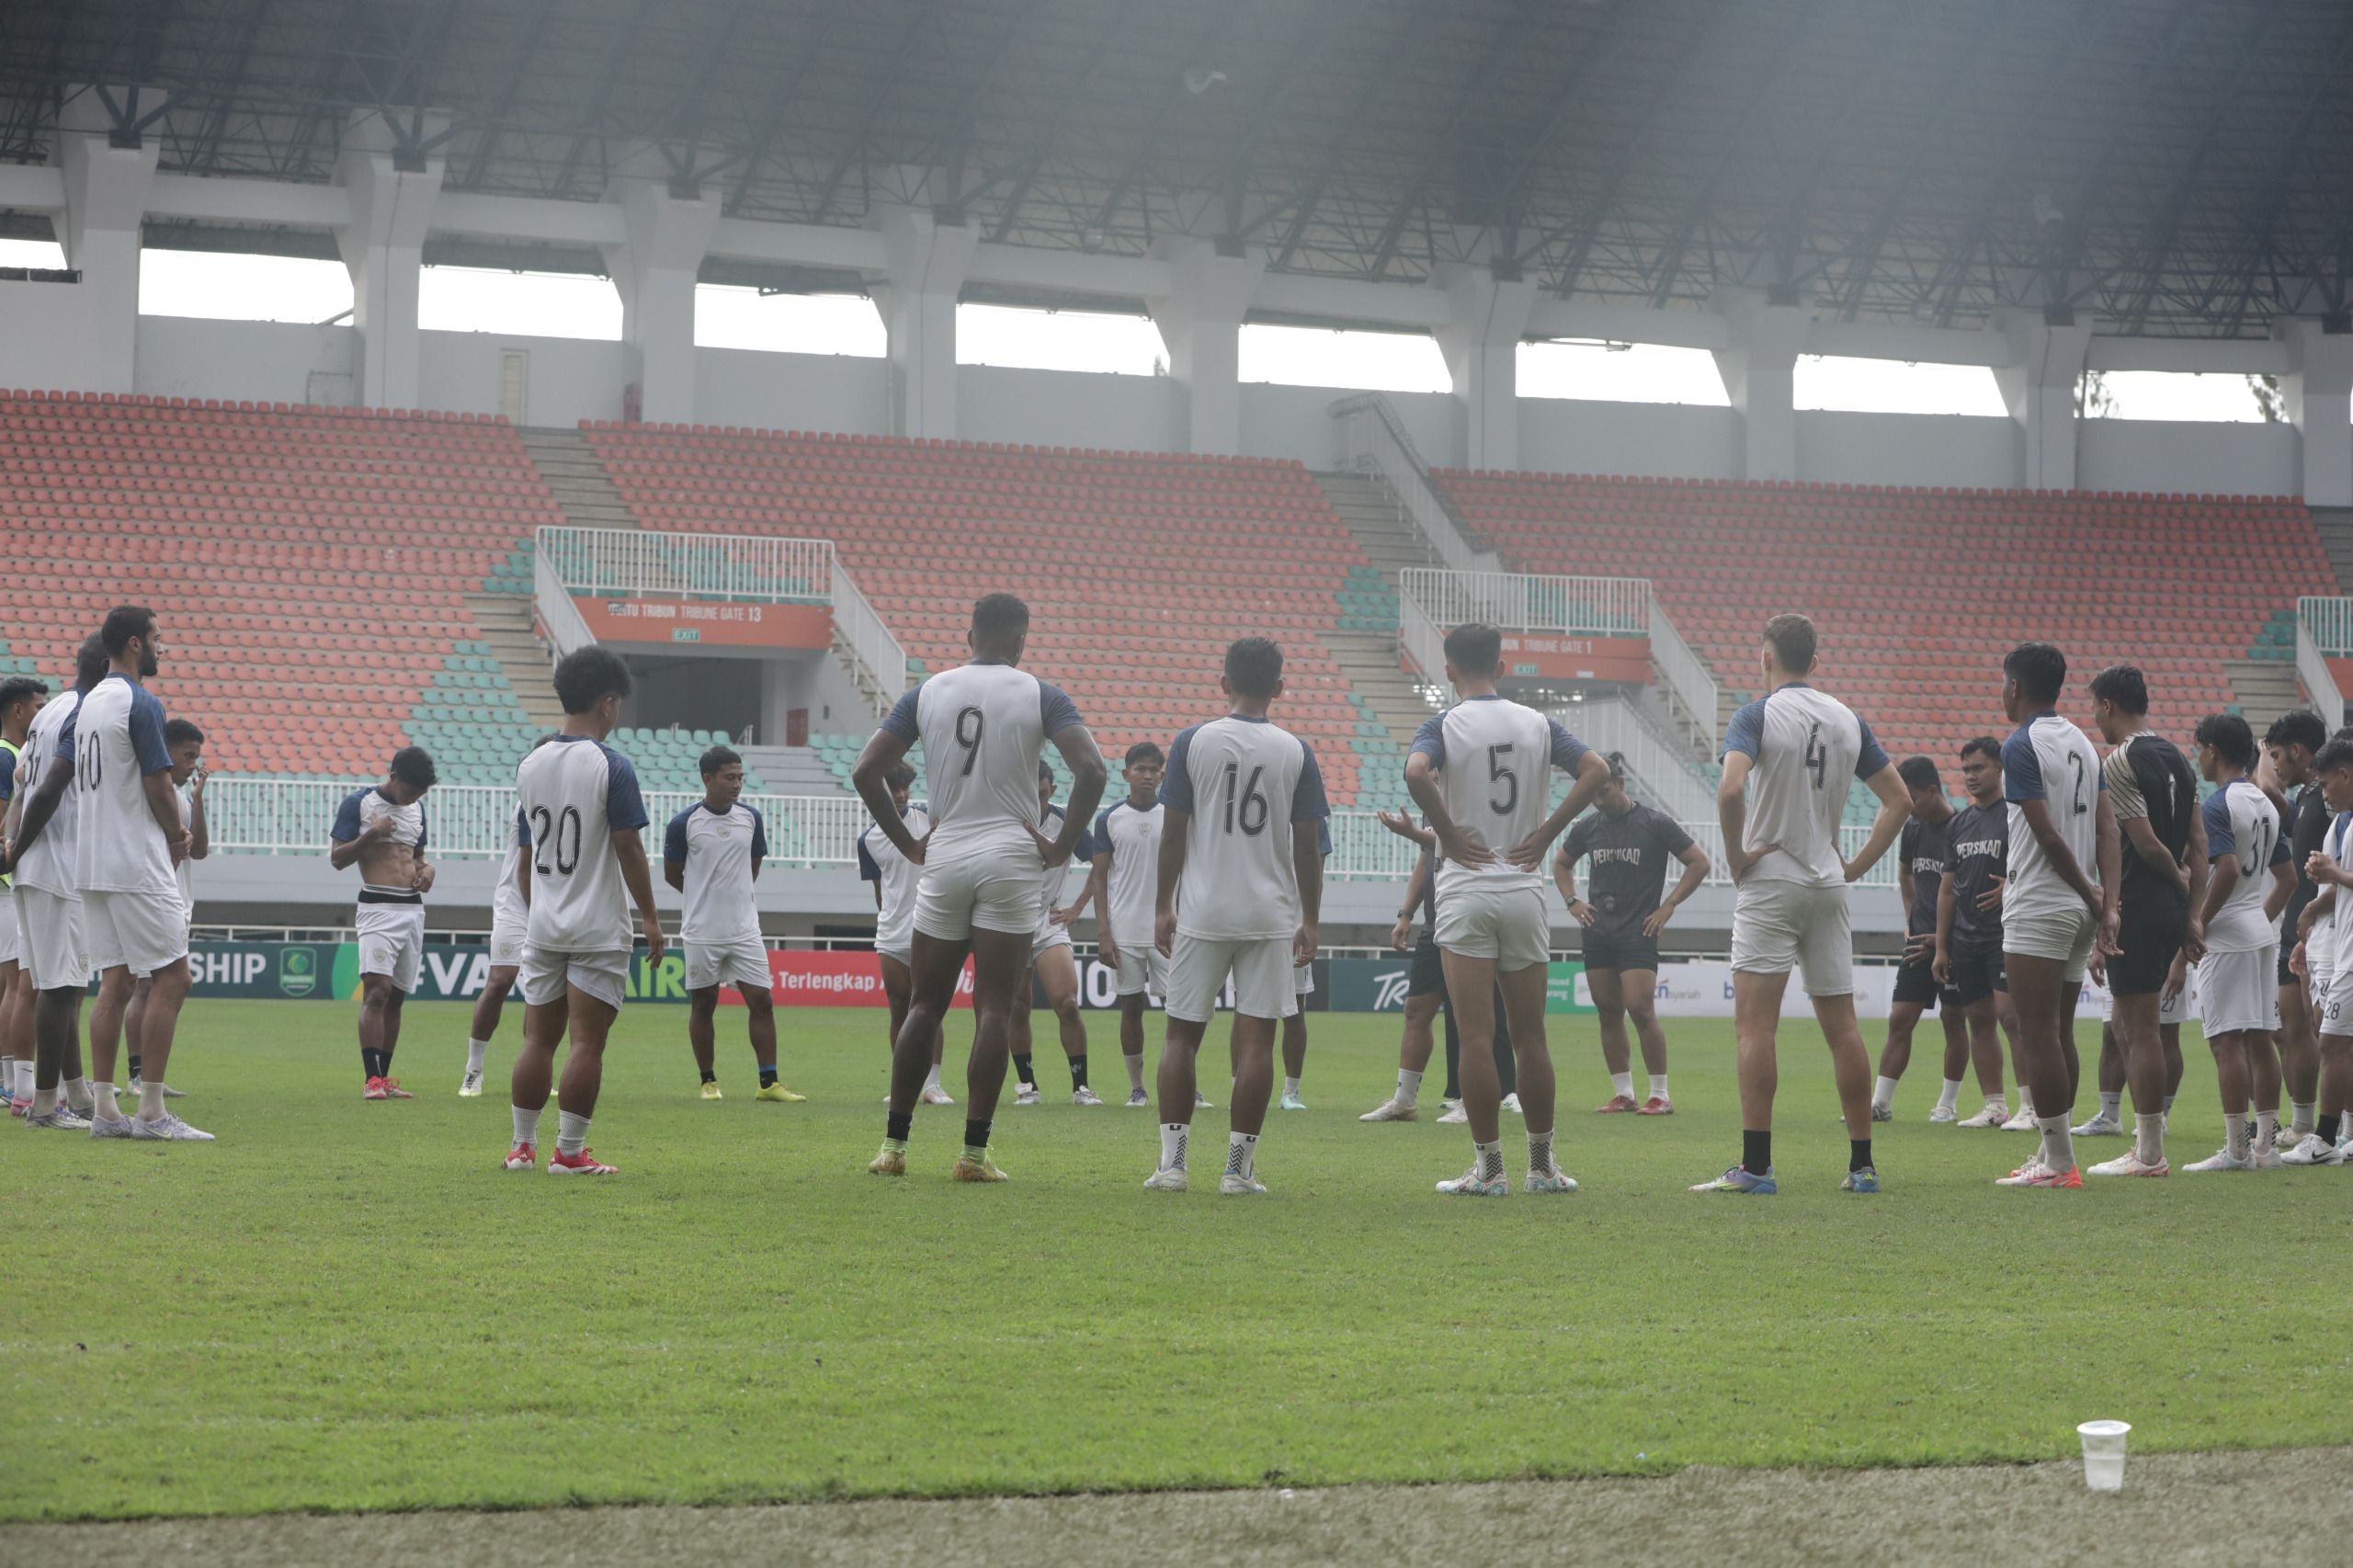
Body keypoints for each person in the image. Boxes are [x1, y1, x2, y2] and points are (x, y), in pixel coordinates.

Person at [851, 593, 1106, 1183]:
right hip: (1012, 856)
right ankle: (972, 1156)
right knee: (993, 1007)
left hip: (946, 852)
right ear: (1021, 641)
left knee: (923, 1005)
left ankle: (893, 1148)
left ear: (968, 634)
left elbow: (866, 770)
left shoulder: (928, 692)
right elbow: (1092, 768)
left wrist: (909, 844)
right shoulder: (1041, 692)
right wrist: (1062, 845)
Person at [1692, 615, 1909, 1197]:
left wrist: (1737, 858)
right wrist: (1855, 867)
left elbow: (1731, 788)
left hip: (1773, 881)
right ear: (1815, 662)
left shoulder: (1755, 715)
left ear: (1765, 657)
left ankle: (1757, 1168)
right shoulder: (1848, 718)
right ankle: (1862, 1166)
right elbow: (1899, 799)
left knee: (1755, 1028)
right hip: (1827, 883)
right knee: (1842, 1027)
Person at [1408, 621, 1609, 1199]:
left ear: (1449, 671)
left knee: (1475, 1036)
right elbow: (1596, 770)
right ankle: (1543, 1166)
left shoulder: (1443, 724)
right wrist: (1547, 833)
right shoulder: (1538, 723)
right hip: (1524, 888)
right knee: (1531, 1037)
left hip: (1467, 889)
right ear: (1502, 667)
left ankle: (1490, 1171)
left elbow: (1416, 772)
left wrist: (1447, 833)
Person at [1143, 636, 1325, 1195]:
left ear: (1223, 683)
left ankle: (1173, 1166)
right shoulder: (1296, 751)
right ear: (1279, 687)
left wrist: (1162, 905)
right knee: (1256, 1044)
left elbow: (1173, 832)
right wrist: (1310, 919)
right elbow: (1307, 844)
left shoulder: (1192, 742)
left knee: (1181, 1038)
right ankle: (1237, 1170)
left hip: (1202, 909)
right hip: (1269, 914)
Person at [506, 647, 665, 1176]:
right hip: (597, 927)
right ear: (609, 703)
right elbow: (629, 848)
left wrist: (539, 913)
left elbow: (526, 860)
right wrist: (651, 918)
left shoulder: (531, 764)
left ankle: (521, 1148)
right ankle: (568, 1154)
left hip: (545, 924)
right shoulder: (611, 765)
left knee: (536, 1040)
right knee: (586, 1043)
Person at [52, 608, 206, 1139]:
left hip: (90, 861)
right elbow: (159, 784)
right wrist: (174, 834)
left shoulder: (88, 701)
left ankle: (103, 1111)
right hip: (135, 859)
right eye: (159, 638)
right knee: (173, 976)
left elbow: (64, 769)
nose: (164, 647)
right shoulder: (142, 703)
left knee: (113, 982)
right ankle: (152, 1113)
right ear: (136, 644)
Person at [1987, 642, 2120, 1189]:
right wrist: (2105, 903)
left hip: (2041, 902)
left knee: (2035, 1032)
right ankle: (2053, 1154)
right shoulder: (2085, 746)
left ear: (2015, 687)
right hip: (2079, 906)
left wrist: (2095, 898)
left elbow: (2044, 834)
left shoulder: (2020, 745)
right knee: (2059, 1031)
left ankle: (2061, 1163)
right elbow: (2107, 829)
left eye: (2003, 682)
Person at [2080, 665, 2200, 1176]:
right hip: (2170, 909)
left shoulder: (2120, 759)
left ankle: (2148, 1150)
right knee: (2137, 1028)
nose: (2094, 718)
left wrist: (2176, 883)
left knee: (2137, 1029)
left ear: (2108, 704)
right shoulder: (2179, 756)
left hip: (2141, 901)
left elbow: (2145, 841)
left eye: (2094, 707)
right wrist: (2192, 913)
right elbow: (2200, 842)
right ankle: (2146, 1142)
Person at [1556, 755, 1709, 1116]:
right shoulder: (1587, 828)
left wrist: (1668, 905)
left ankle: (1660, 1094)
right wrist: (1572, 901)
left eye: (1604, 792)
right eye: (1592, 795)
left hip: (1638, 929)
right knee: (1607, 1011)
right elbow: (1561, 863)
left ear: (1621, 786)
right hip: (1597, 930)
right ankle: (1624, 1094)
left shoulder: (1655, 823)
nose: (1598, 801)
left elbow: (1699, 862)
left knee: (1640, 1008)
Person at [2181, 712, 2294, 1173]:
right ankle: (2266, 1148)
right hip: (2258, 931)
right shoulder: (2267, 803)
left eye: (2198, 748)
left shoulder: (2217, 805)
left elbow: (2225, 868)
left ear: (2212, 749)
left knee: (2226, 1043)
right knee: (2261, 1039)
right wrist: (2257, 922)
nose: (2197, 757)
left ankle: (2235, 1150)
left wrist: (2199, 924)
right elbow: (2286, 880)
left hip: (2227, 933)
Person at [1359, 812, 1518, 1125]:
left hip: (1464, 915)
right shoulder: (1430, 801)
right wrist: (1406, 914)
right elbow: (1427, 859)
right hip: (1434, 922)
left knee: (1466, 1014)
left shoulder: (1467, 790)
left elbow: (1459, 844)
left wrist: (1411, 832)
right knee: (1416, 1009)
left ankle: (1467, 1099)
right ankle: (1404, 1100)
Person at [5, 639, 103, 1128]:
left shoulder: (51, 709)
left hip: (35, 868)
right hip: (58, 864)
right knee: (60, 988)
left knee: (58, 985)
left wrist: (12, 848)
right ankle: (45, 1105)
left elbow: (23, 780)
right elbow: (48, 786)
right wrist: (16, 849)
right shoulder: (82, 713)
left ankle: (78, 1097)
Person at [665, 744, 799, 1104]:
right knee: (704, 1004)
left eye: (740, 777)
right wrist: (704, 896)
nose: (737, 784)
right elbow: (672, 874)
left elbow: (753, 866)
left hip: (744, 929)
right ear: (708, 779)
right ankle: (708, 1081)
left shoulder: (751, 818)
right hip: (701, 930)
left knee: (762, 1000)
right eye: (729, 777)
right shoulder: (684, 823)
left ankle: (768, 1083)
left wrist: (733, 895)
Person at [328, 745, 438, 1100]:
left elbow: (416, 857)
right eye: (409, 791)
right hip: (377, 907)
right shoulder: (358, 805)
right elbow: (337, 859)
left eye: (420, 793)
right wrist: (372, 834)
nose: (413, 799)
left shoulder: (417, 808)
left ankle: (385, 1078)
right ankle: (371, 1079)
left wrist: (428, 870)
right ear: (392, 778)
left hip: (412, 909)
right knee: (377, 990)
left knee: (397, 998)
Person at [1930, 736, 2026, 1127]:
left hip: (2005, 933)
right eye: (1965, 769)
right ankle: (1994, 1105)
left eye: (1978, 768)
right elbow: (1947, 889)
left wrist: (2013, 886)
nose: (1970, 776)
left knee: (2011, 1017)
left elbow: (2040, 862)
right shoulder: (1959, 823)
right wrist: (1941, 947)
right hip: (1965, 938)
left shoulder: (2017, 815)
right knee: (1979, 1020)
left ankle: (2032, 1106)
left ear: (1999, 768)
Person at [1870, 756, 1969, 1123]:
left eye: (1912, 797)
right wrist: (1911, 920)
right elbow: (1906, 874)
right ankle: (1880, 1103)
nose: (1908, 805)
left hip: (1957, 942)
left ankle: (1947, 1103)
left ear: (1932, 791)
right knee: (1900, 1019)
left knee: (1953, 1020)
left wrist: (1946, 936)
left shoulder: (1964, 828)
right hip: (1919, 939)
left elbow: (1968, 892)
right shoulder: (1912, 828)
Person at [1067, 742, 1165, 1108]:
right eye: (1140, 769)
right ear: (1126, 774)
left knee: (1181, 1010)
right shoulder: (1109, 819)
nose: (1147, 775)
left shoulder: (1174, 815)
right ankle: (1137, 1087)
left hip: (1166, 930)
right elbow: (1100, 877)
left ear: (1162, 774)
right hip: (1124, 931)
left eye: (1153, 769)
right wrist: (1103, 931)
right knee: (1131, 1008)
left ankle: (1185, 1081)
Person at [462, 733, 553, 1097]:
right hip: (519, 905)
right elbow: (525, 871)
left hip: (549, 908)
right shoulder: (528, 806)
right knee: (500, 981)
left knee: (541, 994)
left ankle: (536, 1073)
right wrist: (538, 915)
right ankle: (473, 1069)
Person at [123, 718, 208, 1102]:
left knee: (157, 984)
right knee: (144, 984)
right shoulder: (150, 793)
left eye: (197, 756)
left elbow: (201, 851)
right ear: (167, 751)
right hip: (153, 897)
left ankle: (147, 1076)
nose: (193, 763)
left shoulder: (182, 799)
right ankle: (138, 1075)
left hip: (178, 901)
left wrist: (200, 799)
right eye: (188, 755)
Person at [858, 760, 951, 1106]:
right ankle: (903, 1083)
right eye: (892, 788)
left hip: (931, 926)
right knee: (899, 1007)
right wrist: (889, 917)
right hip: (891, 932)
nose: (899, 794)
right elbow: (881, 891)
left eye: (904, 787)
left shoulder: (930, 818)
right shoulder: (867, 840)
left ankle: (933, 1083)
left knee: (929, 1007)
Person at [1010, 759, 1099, 1108]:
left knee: (1068, 1004)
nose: (1036, 799)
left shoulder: (1065, 821)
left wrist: (1077, 908)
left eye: (1042, 793)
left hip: (1048, 924)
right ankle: (1027, 1087)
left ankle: (1081, 1088)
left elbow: (1102, 861)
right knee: (1017, 1007)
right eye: (1029, 793)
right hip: (1009, 922)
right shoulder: (1006, 821)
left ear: (1053, 790)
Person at [2259, 710, 2330, 1146]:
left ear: (2300, 752)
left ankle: (2331, 1125)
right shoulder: (2306, 799)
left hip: (2323, 927)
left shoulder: (2328, 797)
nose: (2276, 764)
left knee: (2324, 1030)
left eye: (2280, 755)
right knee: (2291, 1026)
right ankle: (2303, 1122)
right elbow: (2268, 787)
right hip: (2296, 929)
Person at [2287, 736, 2353, 1165]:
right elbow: (2340, 887)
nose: (2324, 793)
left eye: (2327, 783)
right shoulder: (2343, 823)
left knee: (2331, 1043)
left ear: (2346, 775)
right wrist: (2314, 906)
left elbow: (2343, 877)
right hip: (2344, 946)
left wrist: (2333, 872)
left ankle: (2324, 1139)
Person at [0, 675, 49, 1114]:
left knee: (12, 985)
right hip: (6, 887)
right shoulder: (7, 756)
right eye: (37, 707)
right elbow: (3, 827)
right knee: (20, 985)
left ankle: (10, 1079)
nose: (42, 715)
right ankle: (15, 1082)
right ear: (18, 711)